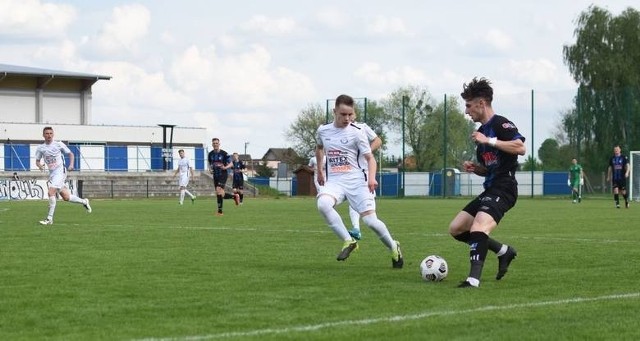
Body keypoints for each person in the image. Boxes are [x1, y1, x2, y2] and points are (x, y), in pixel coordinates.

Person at [448, 77, 526, 288]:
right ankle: (504, 251)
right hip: (491, 187)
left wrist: (490, 141)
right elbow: (489, 168)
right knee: (457, 228)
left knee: (479, 227)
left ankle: (473, 280)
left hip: (505, 187)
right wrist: (477, 169)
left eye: (468, 105)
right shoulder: (481, 135)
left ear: (481, 104)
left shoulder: (500, 124)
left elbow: (520, 148)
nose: (466, 111)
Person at [315, 94, 403, 268]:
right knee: (323, 205)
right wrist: (319, 170)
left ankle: (394, 247)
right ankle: (349, 241)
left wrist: (371, 178)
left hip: (357, 180)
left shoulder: (357, 132)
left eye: (350, 114)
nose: (347, 118)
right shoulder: (323, 131)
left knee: (370, 222)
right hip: (335, 181)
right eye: (343, 115)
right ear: (335, 112)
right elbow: (318, 148)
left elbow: (371, 159)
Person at [35, 126, 92, 225]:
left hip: (60, 171)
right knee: (66, 197)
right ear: (43, 135)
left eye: (51, 133)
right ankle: (84, 202)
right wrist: (40, 166)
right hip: (52, 174)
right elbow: (37, 161)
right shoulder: (41, 148)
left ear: (53, 134)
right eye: (47, 133)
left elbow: (71, 154)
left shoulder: (58, 144)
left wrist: (71, 164)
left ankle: (49, 219)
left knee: (51, 192)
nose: (49, 135)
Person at [207, 138, 232, 215]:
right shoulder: (210, 154)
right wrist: (210, 169)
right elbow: (209, 164)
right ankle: (234, 197)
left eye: (216, 143)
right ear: (212, 144)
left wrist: (225, 167)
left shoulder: (224, 153)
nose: (215, 144)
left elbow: (231, 164)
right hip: (215, 175)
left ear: (219, 144)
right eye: (214, 143)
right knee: (220, 193)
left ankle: (220, 212)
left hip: (223, 174)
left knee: (218, 190)